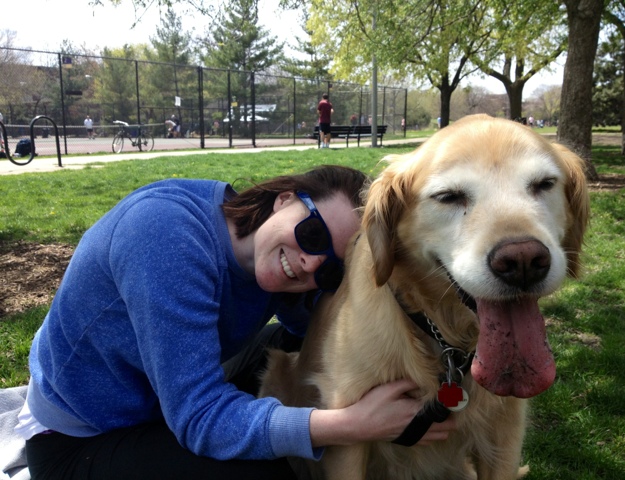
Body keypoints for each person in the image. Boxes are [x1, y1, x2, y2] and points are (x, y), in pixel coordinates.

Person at [16, 165, 455, 480]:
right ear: (285, 198)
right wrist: (354, 424)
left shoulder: (262, 247)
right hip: (79, 440)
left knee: (297, 345)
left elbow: (317, 332)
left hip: (159, 403)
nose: (309, 263)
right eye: (313, 235)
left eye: (330, 270)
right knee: (270, 472)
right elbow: (199, 417)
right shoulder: (166, 237)